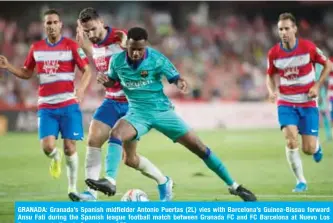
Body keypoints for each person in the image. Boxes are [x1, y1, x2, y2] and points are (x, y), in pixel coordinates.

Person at [87, 26, 257, 202]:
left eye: (140, 49)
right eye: (132, 49)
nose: (136, 53)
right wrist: (105, 81)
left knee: (200, 148)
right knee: (115, 133)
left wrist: (181, 83)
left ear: (145, 46)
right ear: (127, 46)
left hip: (162, 112)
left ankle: (234, 186)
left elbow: (175, 77)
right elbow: (112, 81)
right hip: (137, 114)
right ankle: (110, 180)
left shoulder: (156, 59)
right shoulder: (116, 61)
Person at [69, 7, 172, 202]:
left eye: (92, 29)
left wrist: (125, 45)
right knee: (93, 139)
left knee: (130, 159)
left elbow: (130, 50)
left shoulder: (118, 37)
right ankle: (90, 193)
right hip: (111, 101)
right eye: (86, 31)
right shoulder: (94, 43)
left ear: (101, 22)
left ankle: (163, 181)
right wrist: (84, 46)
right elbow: (98, 58)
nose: (90, 34)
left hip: (133, 103)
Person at [0, 9, 92, 195]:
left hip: (68, 104)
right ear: (44, 26)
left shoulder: (72, 46)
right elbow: (27, 73)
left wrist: (81, 90)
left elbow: (87, 71)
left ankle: (72, 188)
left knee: (70, 147)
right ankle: (55, 157)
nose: (51, 26)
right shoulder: (36, 48)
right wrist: (8, 66)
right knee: (48, 147)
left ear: (60, 25)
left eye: (54, 22)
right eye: (48, 23)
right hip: (47, 106)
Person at [266, 13, 332, 192]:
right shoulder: (273, 53)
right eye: (281, 29)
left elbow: (328, 65)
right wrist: (272, 92)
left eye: (287, 28)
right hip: (286, 102)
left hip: (307, 102)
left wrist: (317, 85)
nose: (284, 32)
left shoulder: (308, 47)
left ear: (295, 29)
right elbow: (270, 75)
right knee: (290, 140)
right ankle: (300, 181)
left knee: (308, 149)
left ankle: (316, 147)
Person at [315, 62, 332, 141]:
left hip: (320, 93)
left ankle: (328, 135)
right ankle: (315, 136)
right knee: (316, 117)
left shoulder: (320, 66)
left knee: (323, 114)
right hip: (314, 94)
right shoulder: (312, 65)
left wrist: (323, 95)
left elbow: (325, 81)